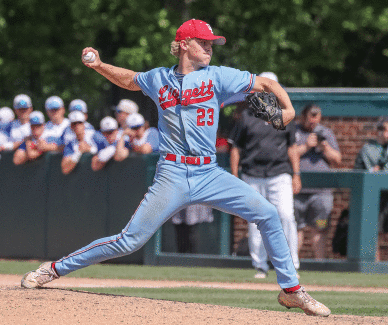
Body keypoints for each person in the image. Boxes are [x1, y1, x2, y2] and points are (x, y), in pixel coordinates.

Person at [21, 19, 330, 317]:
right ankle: (53, 269)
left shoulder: (218, 77)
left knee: (268, 213)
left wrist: (288, 109)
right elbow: (129, 79)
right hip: (172, 173)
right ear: (184, 45)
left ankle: (290, 290)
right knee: (130, 240)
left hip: (209, 173)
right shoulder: (158, 79)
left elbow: (266, 82)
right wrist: (100, 66)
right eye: (203, 42)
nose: (210, 47)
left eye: (212, 43)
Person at [228, 71, 301, 279]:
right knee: (256, 220)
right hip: (252, 174)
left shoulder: (285, 115)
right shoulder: (246, 116)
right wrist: (234, 175)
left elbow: (292, 147)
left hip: (280, 173)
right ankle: (260, 265)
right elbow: (235, 148)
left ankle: (292, 263)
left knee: (286, 216)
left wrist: (296, 174)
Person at [294, 103, 342, 260]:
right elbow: (286, 156)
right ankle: (293, 265)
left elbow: (337, 161)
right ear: (303, 117)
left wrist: (325, 147)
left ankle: (320, 265)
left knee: (320, 228)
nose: (313, 122)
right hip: (297, 191)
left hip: (321, 193)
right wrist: (306, 146)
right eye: (310, 118)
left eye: (316, 118)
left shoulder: (325, 133)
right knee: (295, 228)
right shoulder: (293, 131)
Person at [354, 115, 388, 260]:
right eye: (381, 129)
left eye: (385, 129)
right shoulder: (368, 149)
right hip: (376, 197)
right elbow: (358, 171)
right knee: (374, 233)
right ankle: (374, 268)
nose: (383, 133)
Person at [61, 111, 107, 175]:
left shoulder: (95, 136)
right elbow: (65, 169)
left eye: (79, 122)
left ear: (84, 124)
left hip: (100, 176)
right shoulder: (71, 144)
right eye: (74, 124)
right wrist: (78, 152)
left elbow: (108, 150)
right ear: (71, 126)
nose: (77, 126)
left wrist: (91, 150)